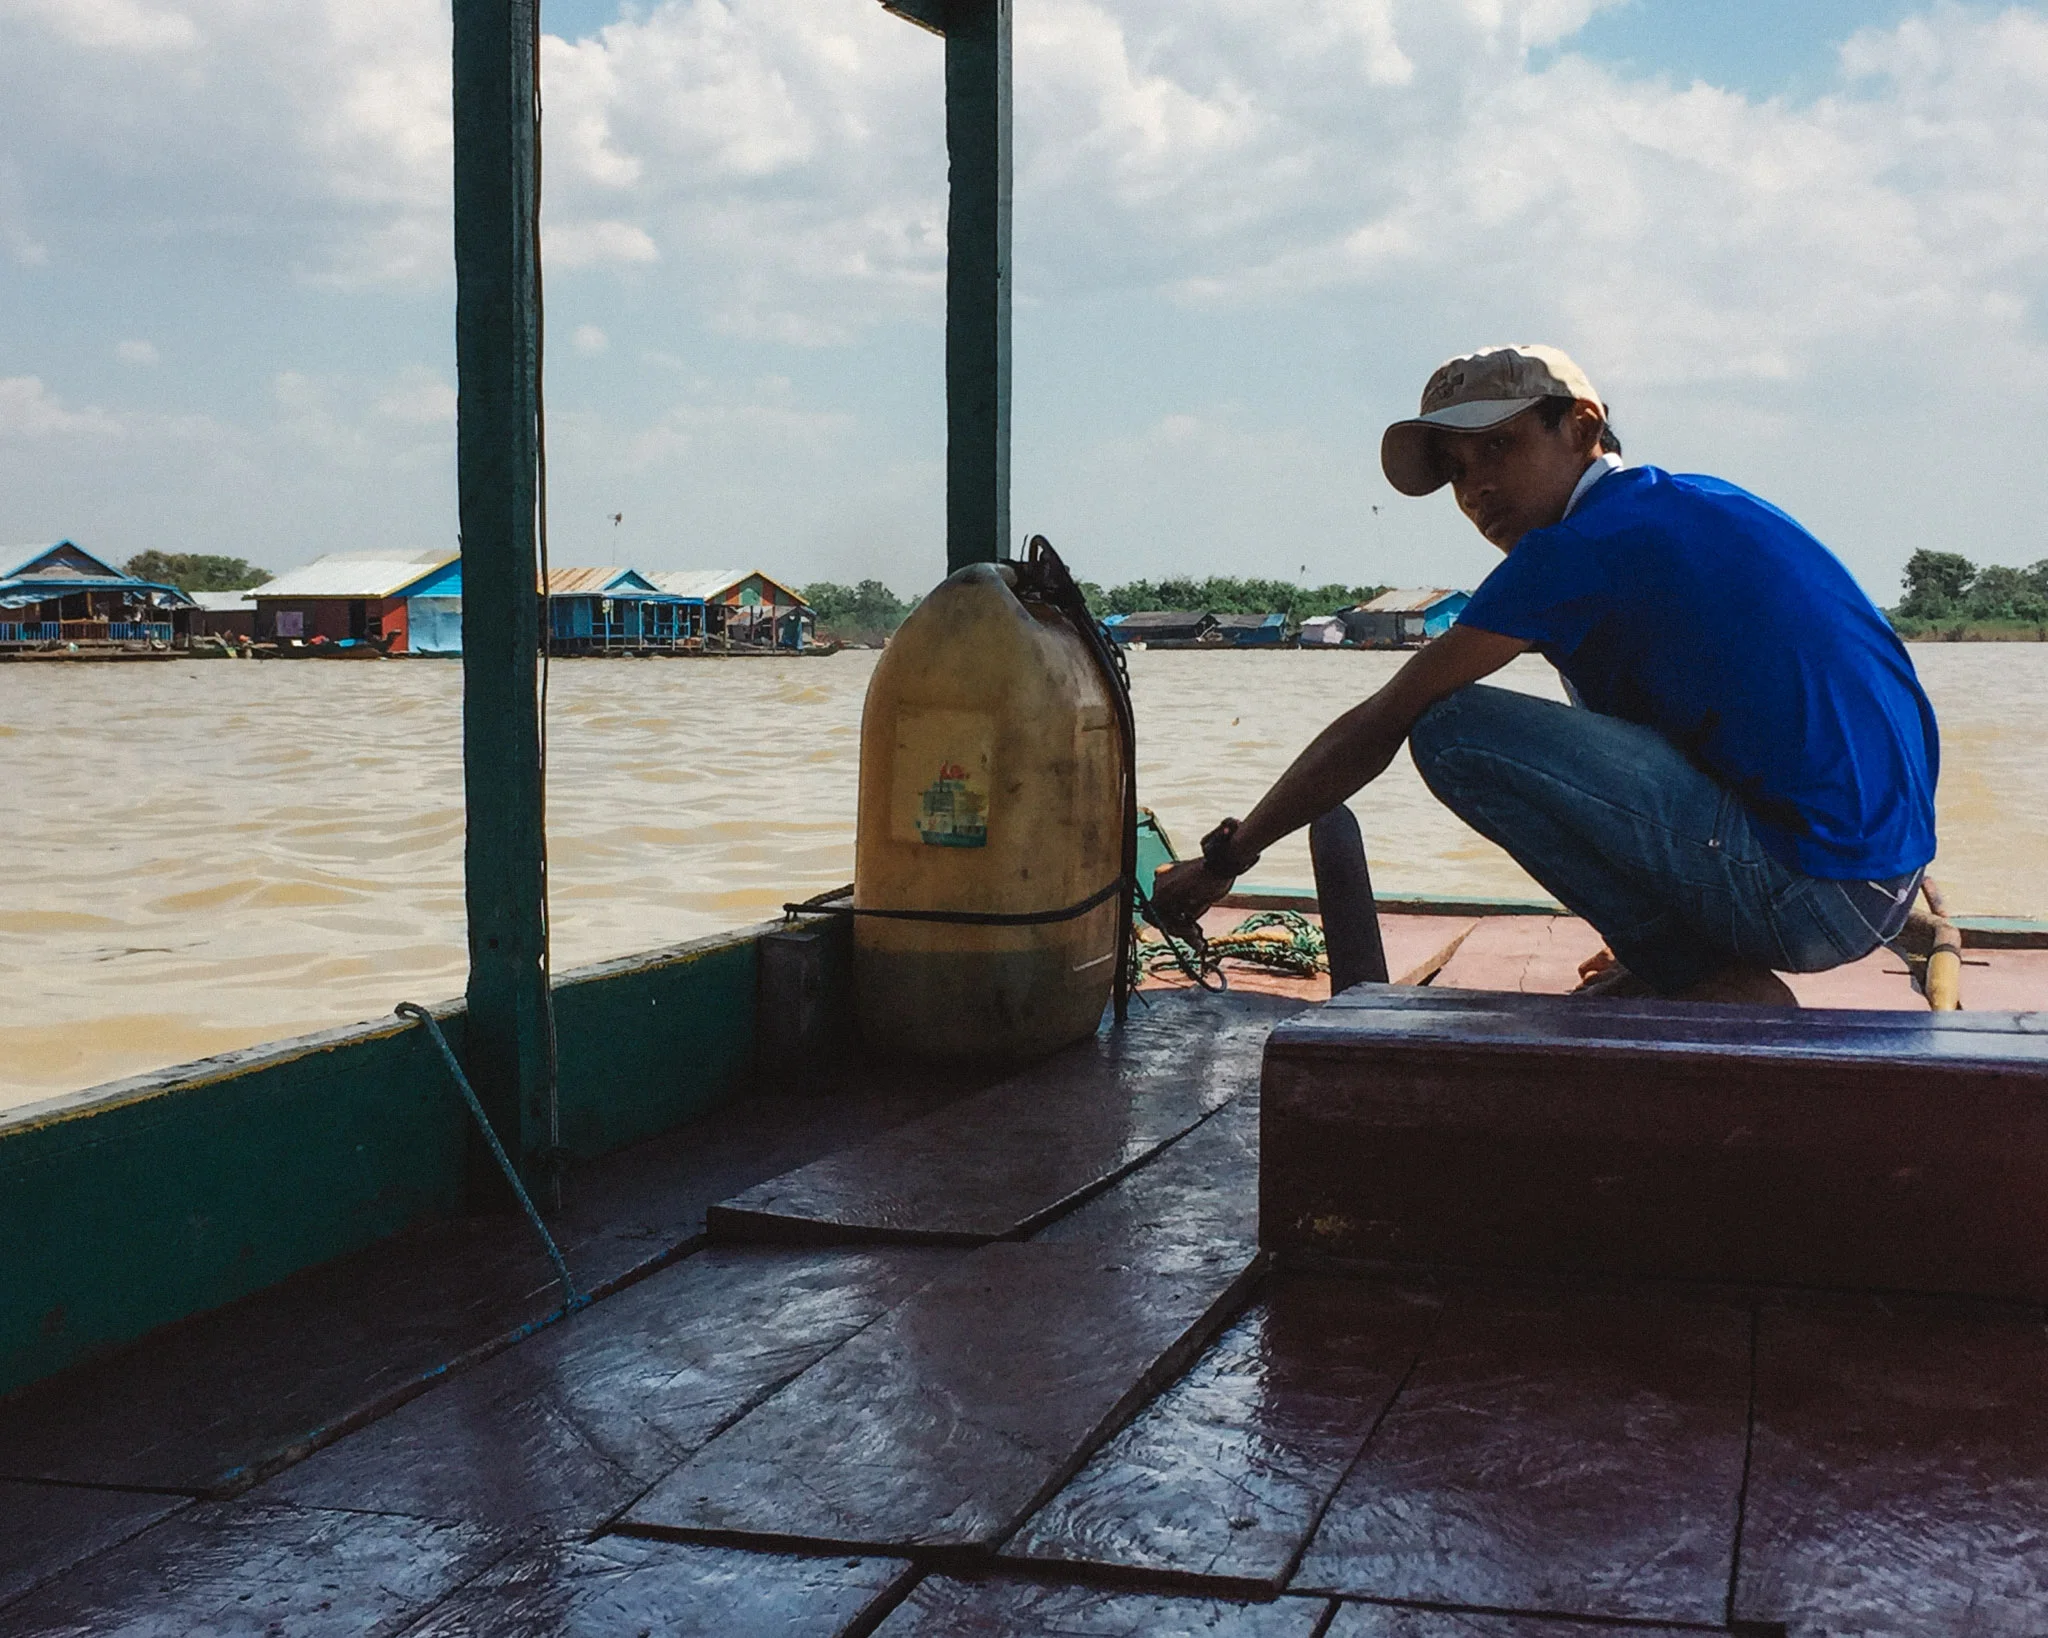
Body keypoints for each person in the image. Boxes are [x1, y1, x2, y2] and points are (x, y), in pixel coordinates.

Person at [1149, 344, 1939, 1004]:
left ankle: (1701, 974)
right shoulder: (1690, 505)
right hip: (1882, 880)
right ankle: (1677, 954)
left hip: (1810, 895)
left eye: (1499, 447)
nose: (1476, 488)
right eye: (1457, 470)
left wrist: (1227, 860)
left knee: (1452, 730)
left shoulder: (1578, 548)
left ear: (1581, 427)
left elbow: (1383, 719)